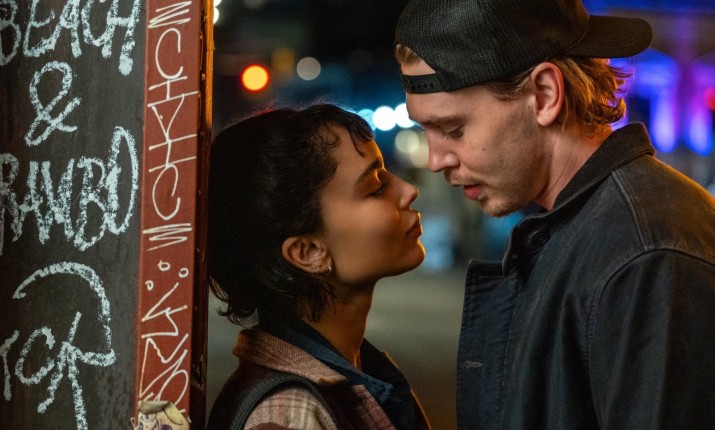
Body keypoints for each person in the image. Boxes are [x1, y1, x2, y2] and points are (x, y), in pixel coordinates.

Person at [393, 0, 715, 429]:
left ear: (544, 95)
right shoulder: (584, 230)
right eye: (425, 130)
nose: (435, 159)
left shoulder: (647, 253)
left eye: (453, 129)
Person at [205, 103, 432, 430]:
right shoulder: (289, 417)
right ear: (308, 252)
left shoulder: (355, 375)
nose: (409, 190)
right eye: (376, 187)